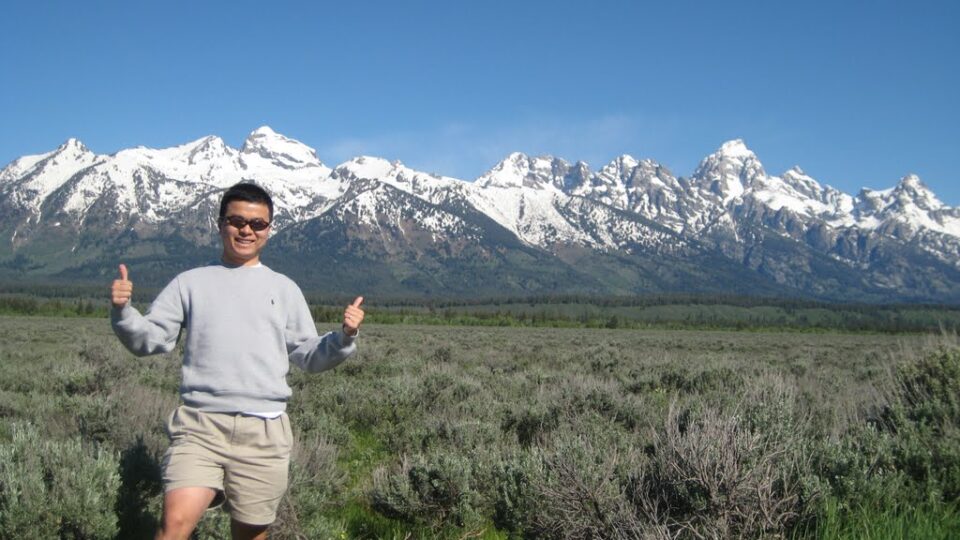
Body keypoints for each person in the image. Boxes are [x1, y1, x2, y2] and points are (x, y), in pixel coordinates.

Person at [110, 182, 364, 540]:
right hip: (199, 425)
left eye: (258, 224)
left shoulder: (284, 288)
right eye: (237, 221)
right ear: (220, 224)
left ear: (269, 230)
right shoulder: (189, 283)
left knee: (250, 535)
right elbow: (150, 339)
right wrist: (123, 312)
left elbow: (307, 354)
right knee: (174, 526)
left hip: (264, 431)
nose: (247, 230)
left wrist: (343, 339)